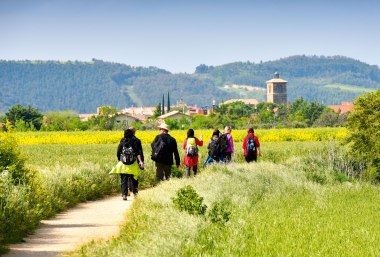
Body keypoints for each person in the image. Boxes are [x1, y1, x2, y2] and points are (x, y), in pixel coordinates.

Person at [110, 129, 144, 201]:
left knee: (124, 179)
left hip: (123, 164)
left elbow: (118, 152)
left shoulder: (122, 141)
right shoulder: (135, 141)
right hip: (133, 164)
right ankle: (135, 193)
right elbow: (138, 152)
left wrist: (120, 159)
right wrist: (140, 161)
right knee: (134, 179)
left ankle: (124, 195)